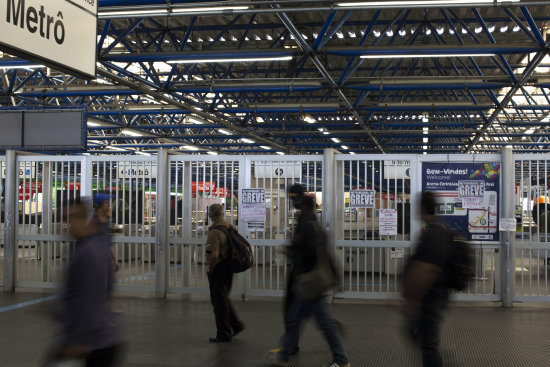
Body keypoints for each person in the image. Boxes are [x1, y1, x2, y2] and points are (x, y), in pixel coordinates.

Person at [265, 184, 350, 367]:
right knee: (298, 318)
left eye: (293, 198)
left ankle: (341, 360)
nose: (292, 201)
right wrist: (335, 278)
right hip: (309, 279)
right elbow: (324, 252)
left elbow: (313, 251)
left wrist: (293, 250)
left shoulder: (306, 223)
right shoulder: (309, 220)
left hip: (309, 280)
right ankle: (284, 354)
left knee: (312, 321)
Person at [51, 198, 124, 366]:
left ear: (86, 219)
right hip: (99, 337)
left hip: (93, 342)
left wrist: (78, 341)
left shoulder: (87, 252)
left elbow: (89, 298)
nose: (69, 225)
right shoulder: (89, 244)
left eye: (74, 218)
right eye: (66, 219)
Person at [403, 191, 452, 367]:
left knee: (428, 343)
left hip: (431, 298)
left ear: (423, 208)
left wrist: (414, 299)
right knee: (424, 339)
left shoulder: (433, 234)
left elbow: (427, 270)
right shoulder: (436, 230)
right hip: (433, 297)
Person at [205, 203, 245, 342]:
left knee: (219, 302)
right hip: (228, 267)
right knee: (224, 299)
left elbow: (214, 255)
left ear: (210, 216)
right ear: (222, 214)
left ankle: (223, 333)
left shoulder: (214, 231)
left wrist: (211, 269)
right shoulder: (228, 227)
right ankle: (236, 325)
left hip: (219, 268)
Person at [92, 193, 119, 272]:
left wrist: (115, 259)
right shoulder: (94, 222)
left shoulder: (106, 221)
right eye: (107, 202)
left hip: (105, 259)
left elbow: (108, 241)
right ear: (102, 204)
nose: (109, 205)